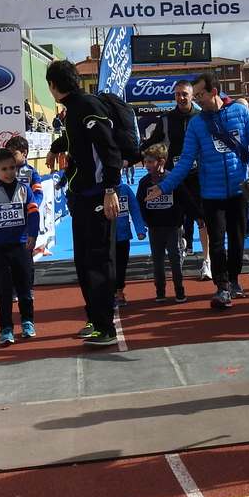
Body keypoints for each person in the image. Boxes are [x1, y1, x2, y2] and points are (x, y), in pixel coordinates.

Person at [145, 71, 249, 310]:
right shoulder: (197, 124)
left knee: (237, 241)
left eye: (200, 95)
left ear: (214, 92)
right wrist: (163, 186)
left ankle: (234, 279)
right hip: (211, 194)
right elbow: (184, 162)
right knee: (217, 242)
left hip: (239, 190)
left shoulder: (241, 113)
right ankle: (222, 287)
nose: (197, 100)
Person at [46, 58, 123, 346]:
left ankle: (106, 328)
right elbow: (78, 142)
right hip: (80, 197)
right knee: (84, 262)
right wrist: (56, 147)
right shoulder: (73, 111)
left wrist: (111, 189)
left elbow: (108, 148)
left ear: (53, 86)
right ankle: (94, 319)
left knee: (99, 262)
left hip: (97, 196)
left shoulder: (87, 106)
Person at [141, 79, 212, 279]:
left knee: (202, 219)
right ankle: (180, 250)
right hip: (174, 178)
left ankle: (207, 261)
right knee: (176, 220)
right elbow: (149, 145)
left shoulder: (202, 117)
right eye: (178, 94)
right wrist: (130, 157)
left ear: (192, 96)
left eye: (185, 94)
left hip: (198, 176)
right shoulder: (165, 119)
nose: (181, 98)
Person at [0, 143, 42, 344]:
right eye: (4, 169)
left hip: (22, 246)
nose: (8, 172)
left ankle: (27, 322)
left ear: (17, 167)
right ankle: (5, 328)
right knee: (4, 291)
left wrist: (32, 235)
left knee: (25, 288)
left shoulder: (25, 190)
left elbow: (33, 213)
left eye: (12, 168)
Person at [138, 143, 187, 302]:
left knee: (175, 259)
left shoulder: (172, 179)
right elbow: (140, 203)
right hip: (154, 228)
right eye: (146, 162)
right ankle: (160, 292)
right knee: (157, 261)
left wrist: (193, 217)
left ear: (161, 161)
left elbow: (184, 199)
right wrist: (145, 221)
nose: (147, 165)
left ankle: (179, 291)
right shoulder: (144, 182)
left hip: (172, 227)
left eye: (150, 162)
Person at [112, 179, 147, 310]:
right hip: (106, 238)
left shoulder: (126, 190)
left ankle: (119, 292)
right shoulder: (102, 189)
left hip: (123, 236)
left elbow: (135, 209)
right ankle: (110, 292)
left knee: (121, 266)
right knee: (109, 266)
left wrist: (140, 230)